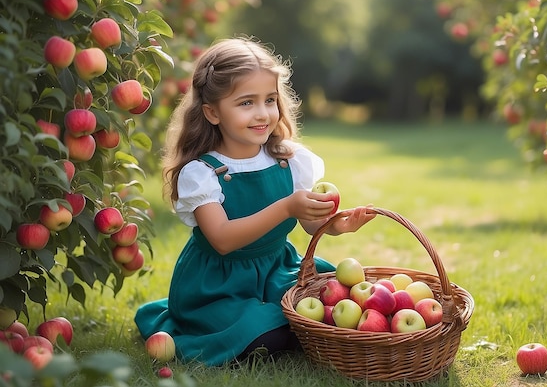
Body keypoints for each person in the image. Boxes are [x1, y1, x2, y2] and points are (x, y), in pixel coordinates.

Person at [134, 37, 375, 366]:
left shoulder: (289, 159)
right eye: (246, 103)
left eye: (270, 100)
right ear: (212, 112)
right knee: (269, 334)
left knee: (330, 297)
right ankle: (216, 323)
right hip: (218, 286)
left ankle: (281, 318)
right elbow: (221, 240)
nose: (263, 113)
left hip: (277, 268)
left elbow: (308, 222)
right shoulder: (203, 172)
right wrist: (286, 206)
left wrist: (334, 225)